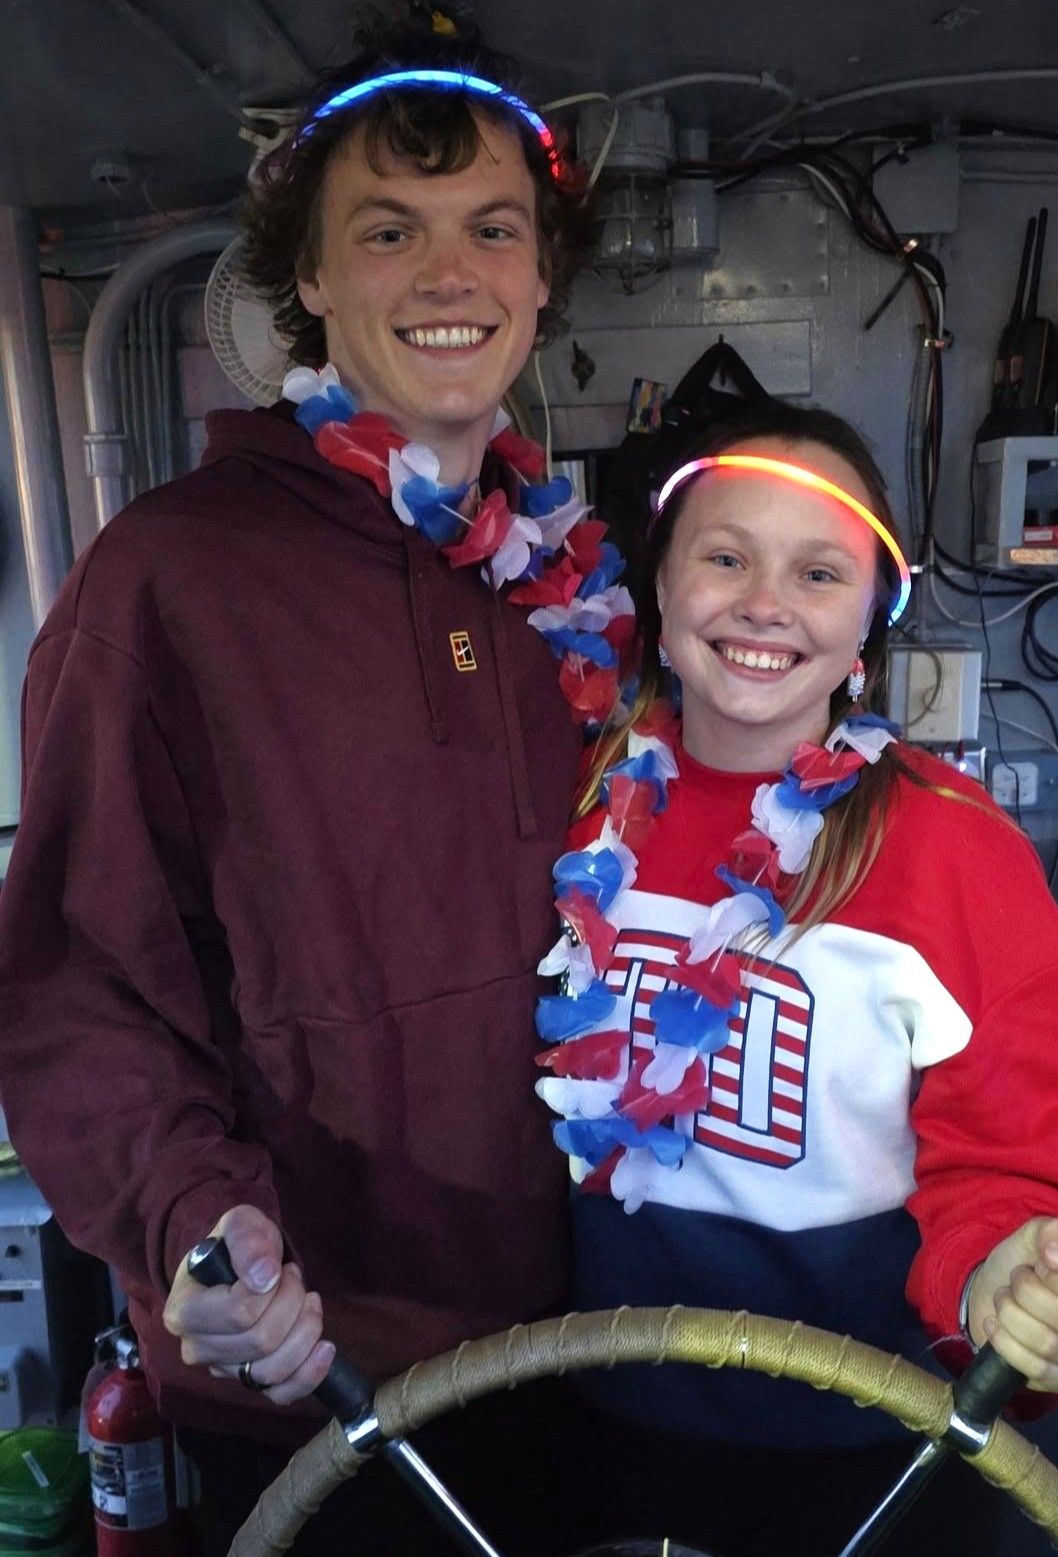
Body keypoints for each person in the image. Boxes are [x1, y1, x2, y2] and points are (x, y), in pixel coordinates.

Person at [0, 11, 612, 1554]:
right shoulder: (169, 578)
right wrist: (193, 1227)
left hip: (589, 1339)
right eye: (388, 232)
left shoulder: (582, 591)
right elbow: (78, 984)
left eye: (493, 230)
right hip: (312, 1378)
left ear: (542, 276)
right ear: (313, 278)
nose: (450, 275)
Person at [535, 400, 1058, 1556]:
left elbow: (1022, 1162)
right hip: (597, 1428)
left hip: (880, 1455)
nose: (764, 603)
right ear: (660, 591)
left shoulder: (952, 848)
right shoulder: (574, 803)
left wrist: (1015, 1272)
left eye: (817, 573)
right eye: (725, 557)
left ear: (869, 621)